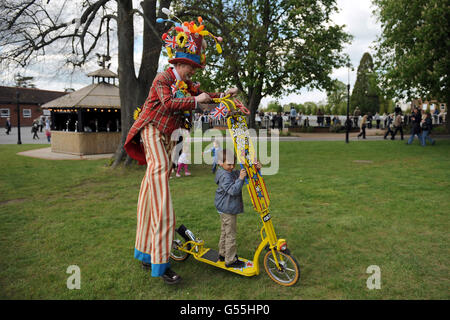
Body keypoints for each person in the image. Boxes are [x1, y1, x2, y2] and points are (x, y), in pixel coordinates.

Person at [123, 14, 238, 285]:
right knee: (161, 187)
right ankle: (161, 265)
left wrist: (225, 95)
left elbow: (204, 98)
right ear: (180, 62)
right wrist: (195, 100)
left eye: (196, 69)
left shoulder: (188, 85)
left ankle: (145, 252)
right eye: (191, 67)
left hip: (168, 138)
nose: (193, 72)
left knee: (149, 195)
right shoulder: (163, 79)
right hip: (150, 129)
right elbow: (168, 104)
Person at [214, 149, 262, 268]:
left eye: (233, 164)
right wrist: (240, 178)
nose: (232, 167)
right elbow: (233, 190)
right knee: (230, 234)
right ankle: (230, 260)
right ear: (220, 163)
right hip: (227, 208)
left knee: (225, 231)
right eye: (229, 164)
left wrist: (256, 169)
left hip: (224, 207)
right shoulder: (225, 175)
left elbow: (244, 175)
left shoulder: (228, 171)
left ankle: (223, 254)